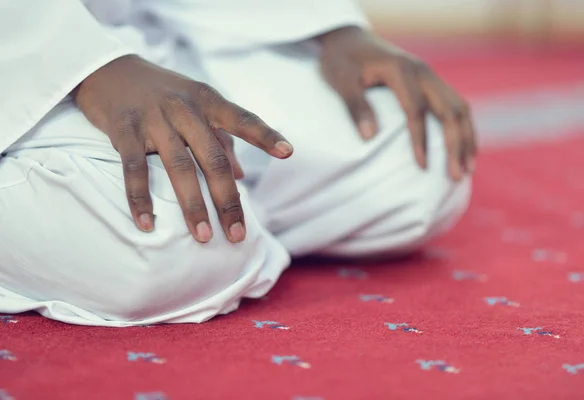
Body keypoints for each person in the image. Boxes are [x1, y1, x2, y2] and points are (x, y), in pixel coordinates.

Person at [0, 0, 476, 326]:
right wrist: (85, 64)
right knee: (162, 240)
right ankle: (222, 231)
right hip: (26, 57)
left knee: (418, 157)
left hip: (151, 29)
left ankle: (234, 226)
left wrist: (331, 26)